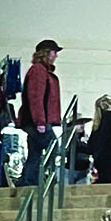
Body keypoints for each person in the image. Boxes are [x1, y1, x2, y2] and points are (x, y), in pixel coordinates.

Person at [21, 39, 63, 185]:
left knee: (35, 153)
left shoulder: (40, 70)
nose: (56, 55)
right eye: (54, 52)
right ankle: (46, 180)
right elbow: (36, 97)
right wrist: (40, 121)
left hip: (34, 120)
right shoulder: (39, 70)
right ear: (47, 53)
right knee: (52, 147)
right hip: (37, 121)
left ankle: (28, 183)